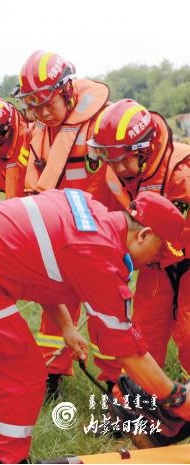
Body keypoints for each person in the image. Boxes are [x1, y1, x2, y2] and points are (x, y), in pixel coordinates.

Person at [0, 189, 190, 463]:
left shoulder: (88, 213)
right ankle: (9, 459)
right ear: (143, 235)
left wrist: (66, 326)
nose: (155, 262)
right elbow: (127, 350)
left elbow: (42, 272)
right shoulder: (98, 253)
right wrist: (176, 397)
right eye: (160, 251)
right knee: (23, 374)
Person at [14, 50, 125, 392]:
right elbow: (28, 180)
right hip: (58, 234)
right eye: (35, 106)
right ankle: (52, 376)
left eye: (48, 103)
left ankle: (116, 383)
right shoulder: (37, 132)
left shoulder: (101, 123)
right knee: (55, 305)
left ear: (66, 91)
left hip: (99, 234)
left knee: (107, 311)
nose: (43, 113)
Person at [87, 98, 190, 377]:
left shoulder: (181, 174)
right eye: (111, 160)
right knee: (143, 331)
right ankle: (137, 394)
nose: (118, 168)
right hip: (154, 263)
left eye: (123, 160)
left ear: (145, 149)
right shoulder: (114, 174)